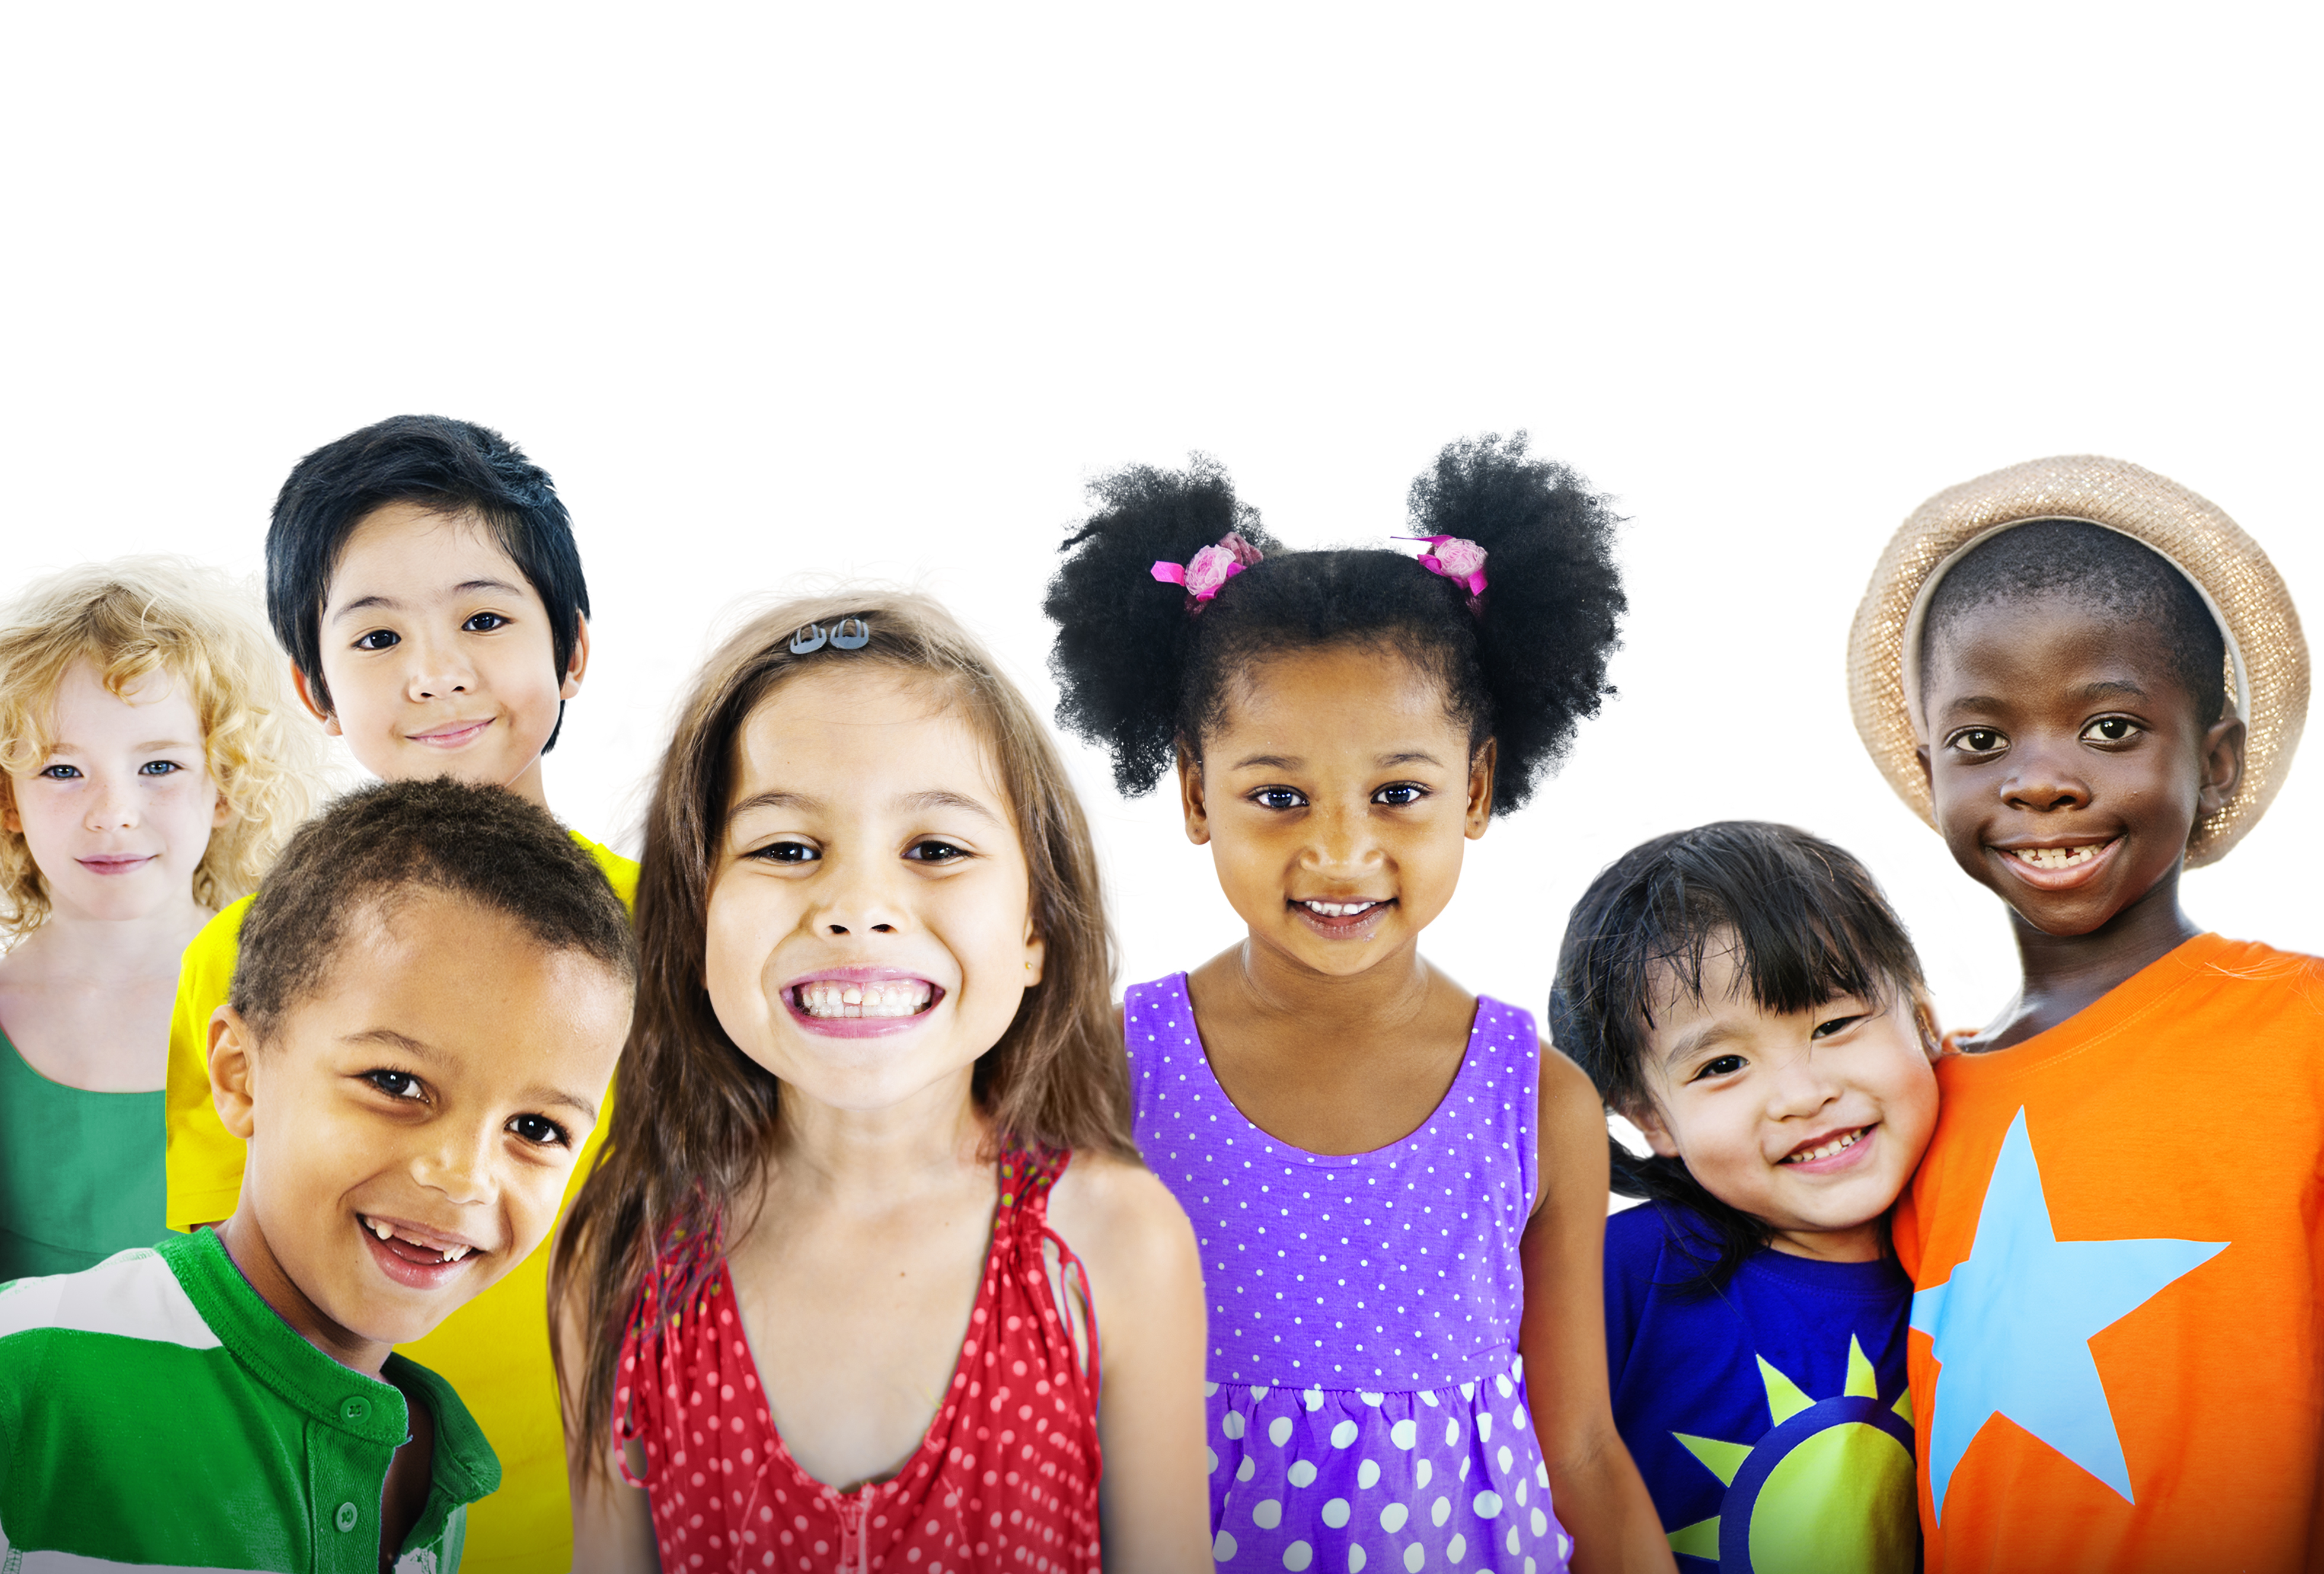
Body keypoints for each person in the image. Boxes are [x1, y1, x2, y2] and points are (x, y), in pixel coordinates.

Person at [1045, 436, 1669, 1572]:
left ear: (1475, 788)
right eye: (1277, 796)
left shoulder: (1537, 1101)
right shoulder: (1110, 1068)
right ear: (1194, 792)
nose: (1340, 849)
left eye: (1399, 793)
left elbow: (1578, 1446)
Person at [552, 593, 1210, 1573]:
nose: (858, 909)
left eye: (936, 849)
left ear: (1036, 931)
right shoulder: (630, 1250)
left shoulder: (1118, 1242)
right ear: (691, 928)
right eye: (785, 849)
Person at [159, 415, 638, 1570]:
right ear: (313, 686)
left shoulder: (681, 928)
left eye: (483, 617)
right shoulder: (240, 957)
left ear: (572, 647)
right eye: (375, 636)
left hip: (611, 1518)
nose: (434, 672)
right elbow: (215, 1291)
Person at [1846, 455, 2320, 1571]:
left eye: (2109, 728)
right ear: (1931, 771)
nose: (2040, 781)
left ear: (2217, 760)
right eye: (1981, 740)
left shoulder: (2301, 1035)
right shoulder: (1912, 1098)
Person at [0, 777, 634, 1571]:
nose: (462, 1175)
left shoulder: (441, 1471)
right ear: (239, 1075)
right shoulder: (27, 1370)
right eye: (396, 1082)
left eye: (536, 1128)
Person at [1552, 820, 1939, 1573]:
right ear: (1650, 1118)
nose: (1800, 1095)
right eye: (1722, 1064)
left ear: (1922, 1021)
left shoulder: (1983, 1234)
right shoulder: (1623, 1274)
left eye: (1833, 1024)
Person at [0, 558, 318, 1279]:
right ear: (8, 799)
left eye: (160, 767)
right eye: (60, 770)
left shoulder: (301, 1005)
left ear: (226, 784)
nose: (113, 812)